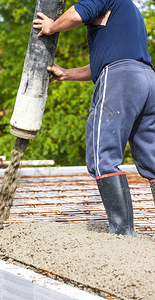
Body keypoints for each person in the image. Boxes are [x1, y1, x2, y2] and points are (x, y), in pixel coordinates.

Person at [33, 0, 155, 236]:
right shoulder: (127, 10)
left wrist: (52, 26)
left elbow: (76, 16)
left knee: (102, 156)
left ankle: (122, 234)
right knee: (152, 159)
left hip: (121, 79)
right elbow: (101, 64)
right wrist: (66, 74)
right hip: (147, 80)